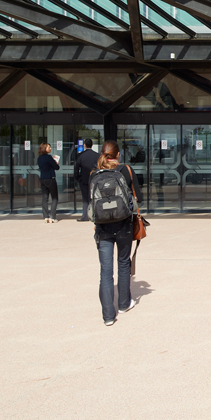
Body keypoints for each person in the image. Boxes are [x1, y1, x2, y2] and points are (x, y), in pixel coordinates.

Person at [91, 140, 143, 325]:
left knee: (105, 271)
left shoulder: (94, 174)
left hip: (103, 228)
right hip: (123, 226)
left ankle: (108, 316)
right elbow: (140, 198)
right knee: (123, 263)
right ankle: (123, 303)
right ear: (118, 155)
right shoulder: (126, 171)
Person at [74, 139, 100, 222]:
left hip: (84, 180)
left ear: (85, 145)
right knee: (95, 197)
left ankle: (85, 216)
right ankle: (96, 216)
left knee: (85, 198)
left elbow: (76, 168)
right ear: (92, 145)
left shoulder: (80, 155)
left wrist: (78, 178)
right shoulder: (97, 155)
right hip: (95, 179)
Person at [37, 143, 60, 223]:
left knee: (45, 198)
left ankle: (46, 216)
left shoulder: (39, 158)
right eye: (49, 147)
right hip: (50, 179)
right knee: (54, 197)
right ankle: (52, 217)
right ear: (44, 149)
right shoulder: (49, 157)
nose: (50, 148)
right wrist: (56, 163)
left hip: (42, 179)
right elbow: (56, 167)